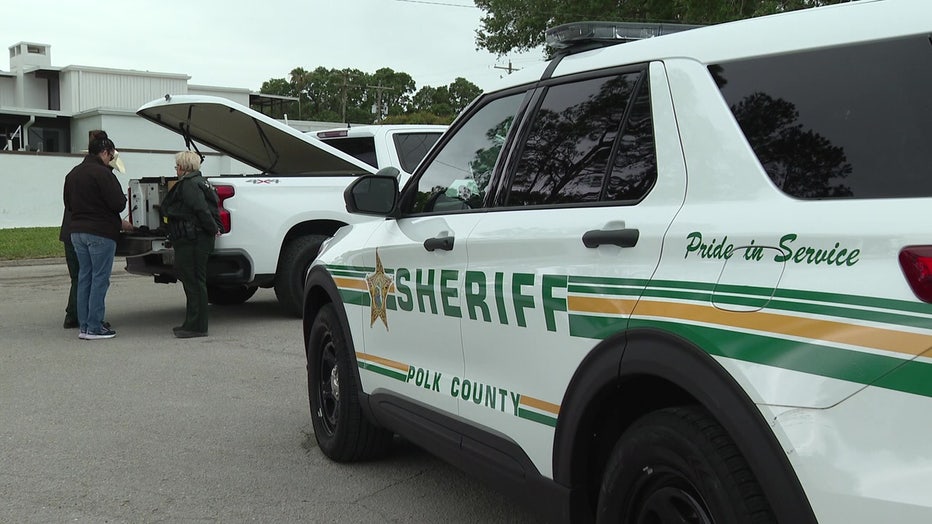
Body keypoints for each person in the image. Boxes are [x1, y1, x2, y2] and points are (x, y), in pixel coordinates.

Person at [63, 136, 127, 340]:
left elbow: (68, 204)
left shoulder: (72, 174)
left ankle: (84, 326)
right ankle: (95, 326)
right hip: (100, 232)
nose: (111, 159)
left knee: (84, 278)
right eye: (111, 155)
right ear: (106, 151)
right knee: (100, 278)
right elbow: (118, 204)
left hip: (77, 232)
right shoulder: (103, 173)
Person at [161, 151, 221, 338]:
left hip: (193, 240)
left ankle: (197, 326)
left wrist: (212, 229)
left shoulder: (189, 185)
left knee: (194, 281)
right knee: (193, 281)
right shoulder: (200, 182)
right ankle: (192, 322)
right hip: (196, 238)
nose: (176, 169)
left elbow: (200, 209)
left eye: (177, 165)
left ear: (183, 167)